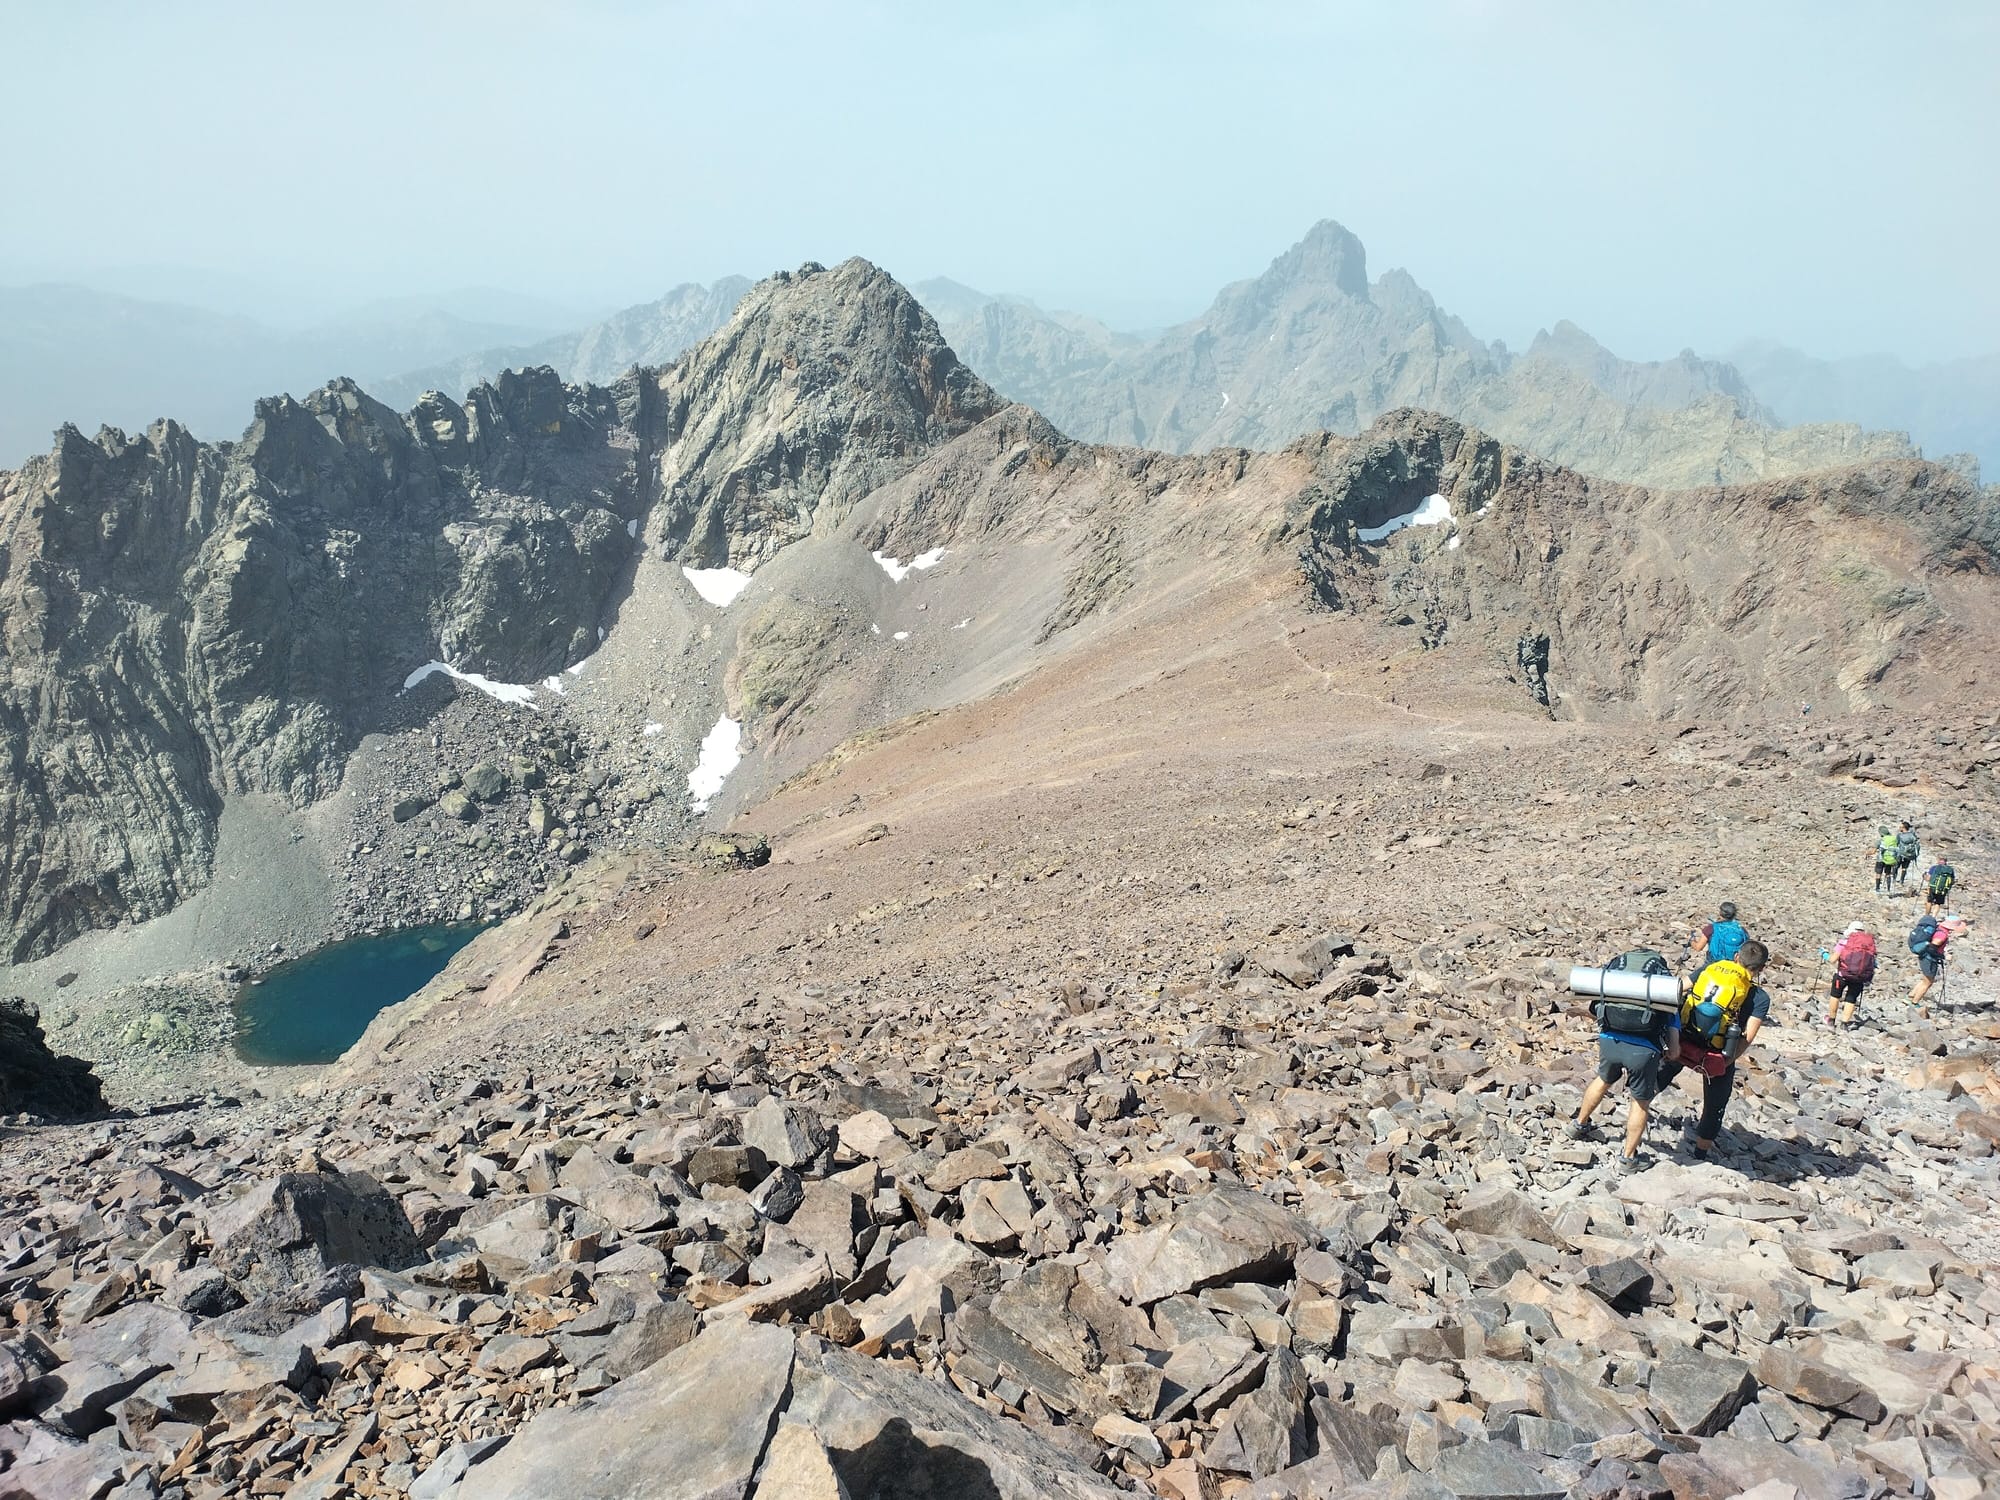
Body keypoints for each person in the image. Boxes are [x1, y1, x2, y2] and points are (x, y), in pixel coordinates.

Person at [1571, 950, 1682, 1172]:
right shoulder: (1661, 989)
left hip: (1610, 1040)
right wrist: (1673, 1052)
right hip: (1644, 1049)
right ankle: (1628, 1159)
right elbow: (1673, 1033)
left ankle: (1578, 1125)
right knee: (1640, 1101)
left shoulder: (1616, 979)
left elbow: (1595, 1008)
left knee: (1603, 1079)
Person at [1660, 939, 1772, 1156]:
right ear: (1761, 968)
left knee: (1660, 1076)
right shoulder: (1760, 997)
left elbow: (1678, 988)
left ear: (1737, 957)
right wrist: (1727, 1061)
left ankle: (1637, 1115)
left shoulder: (1709, 970)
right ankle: (1701, 1153)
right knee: (1715, 1104)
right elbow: (1747, 1036)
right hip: (1717, 1052)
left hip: (1683, 1040)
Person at [1909, 914, 1967, 1017]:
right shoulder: (1942, 935)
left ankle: (1910, 996)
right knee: (1928, 982)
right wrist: (1944, 957)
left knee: (1925, 979)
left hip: (1924, 957)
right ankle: (1915, 1002)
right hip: (1929, 959)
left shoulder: (1939, 928)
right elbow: (1932, 948)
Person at [1822, 923, 1876, 1028]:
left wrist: (1824, 955)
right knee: (1851, 999)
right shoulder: (1868, 945)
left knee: (1835, 995)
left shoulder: (1844, 943)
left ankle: (1831, 1020)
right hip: (1859, 978)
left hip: (1842, 975)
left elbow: (1833, 959)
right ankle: (1844, 1024)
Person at [1691, 902, 1747, 970]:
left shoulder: (1711, 928)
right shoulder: (1741, 930)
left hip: (1714, 963)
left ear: (1720, 913)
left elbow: (1698, 948)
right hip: (1735, 965)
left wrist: (1691, 941)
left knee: (1694, 978)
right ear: (1734, 914)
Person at [1875, 826, 1900, 895]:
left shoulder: (1881, 840)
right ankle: (1888, 889)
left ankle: (1877, 888)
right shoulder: (1893, 839)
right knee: (1888, 874)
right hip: (1890, 858)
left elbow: (1873, 850)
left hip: (1880, 859)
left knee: (1878, 873)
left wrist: (1867, 853)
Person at [1894, 822, 1920, 888]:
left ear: (1903, 828)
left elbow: (1896, 843)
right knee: (1904, 868)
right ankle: (1901, 881)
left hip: (1901, 853)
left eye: (1900, 827)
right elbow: (1916, 843)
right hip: (1909, 854)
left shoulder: (1899, 835)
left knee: (1896, 866)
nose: (1899, 828)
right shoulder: (1912, 835)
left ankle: (1894, 880)